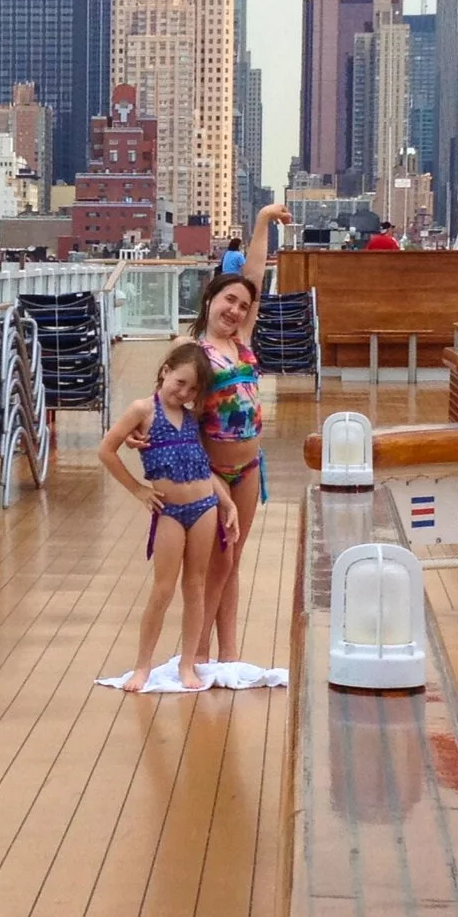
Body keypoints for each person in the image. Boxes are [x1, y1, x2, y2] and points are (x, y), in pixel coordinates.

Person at [189, 202, 291, 664]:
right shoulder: (192, 351)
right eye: (228, 301)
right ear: (210, 299)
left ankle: (228, 652)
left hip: (248, 469)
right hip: (210, 472)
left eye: (243, 306)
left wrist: (264, 220)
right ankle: (198, 651)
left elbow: (254, 275)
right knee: (217, 561)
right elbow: (169, 410)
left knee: (232, 560)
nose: (235, 310)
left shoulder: (240, 342)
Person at [97, 341, 230, 692]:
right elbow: (107, 450)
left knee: (195, 586)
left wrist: (226, 502)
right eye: (179, 382)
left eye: (192, 389)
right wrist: (138, 490)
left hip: (205, 507)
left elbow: (202, 466)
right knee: (163, 589)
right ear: (165, 371)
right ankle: (142, 666)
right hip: (169, 511)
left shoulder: (191, 418)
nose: (183, 393)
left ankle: (188, 664)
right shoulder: (143, 410)